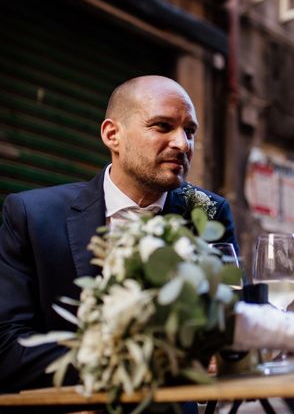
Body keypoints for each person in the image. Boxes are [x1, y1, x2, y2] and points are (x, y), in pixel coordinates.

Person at [0, 75, 238, 393]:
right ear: (113, 135)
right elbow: (7, 349)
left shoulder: (207, 213)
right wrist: (137, 363)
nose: (183, 144)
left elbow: (231, 326)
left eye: (189, 131)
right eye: (162, 126)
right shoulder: (32, 215)